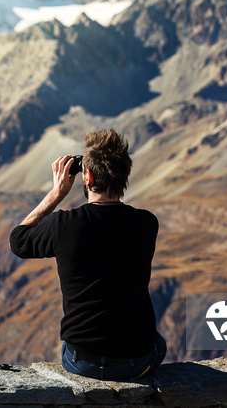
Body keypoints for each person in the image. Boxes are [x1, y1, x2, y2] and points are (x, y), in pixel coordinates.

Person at [9, 129, 166, 381]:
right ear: (124, 176)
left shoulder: (65, 225)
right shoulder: (147, 224)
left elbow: (18, 240)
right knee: (158, 342)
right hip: (134, 361)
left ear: (88, 175)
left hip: (82, 361)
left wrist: (57, 193)